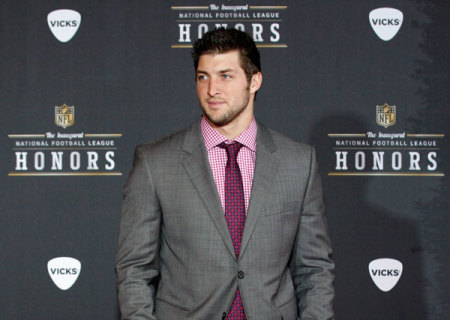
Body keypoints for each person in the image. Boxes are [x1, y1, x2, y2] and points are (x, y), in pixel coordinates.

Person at [116, 28, 335, 320]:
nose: (211, 90)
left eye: (225, 76)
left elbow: (315, 268)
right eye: (203, 76)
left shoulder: (298, 162)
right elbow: (134, 269)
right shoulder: (155, 162)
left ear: (254, 81)